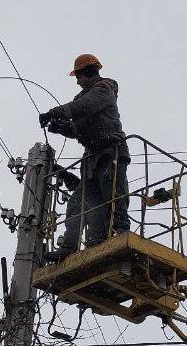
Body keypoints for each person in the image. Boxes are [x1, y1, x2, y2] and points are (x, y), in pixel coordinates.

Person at [38, 53, 131, 263]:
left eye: (79, 76)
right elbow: (79, 126)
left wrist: (55, 113)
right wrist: (63, 128)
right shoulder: (82, 98)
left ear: (88, 73)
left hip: (110, 151)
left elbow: (84, 107)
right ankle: (73, 247)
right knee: (78, 203)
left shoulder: (104, 89)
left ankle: (121, 230)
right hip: (91, 158)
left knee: (112, 191)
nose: (78, 81)